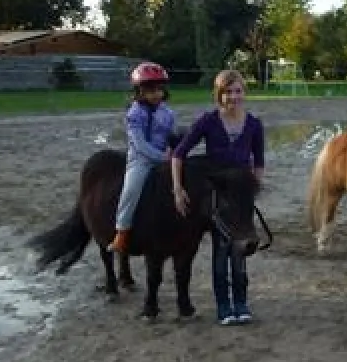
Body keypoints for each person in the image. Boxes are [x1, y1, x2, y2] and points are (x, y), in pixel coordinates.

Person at [172, 70, 265, 326]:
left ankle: (241, 303)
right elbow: (179, 154)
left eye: (238, 91)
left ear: (244, 93)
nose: (233, 97)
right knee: (222, 251)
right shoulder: (208, 121)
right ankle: (224, 306)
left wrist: (253, 188)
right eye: (228, 92)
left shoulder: (254, 125)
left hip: (241, 197)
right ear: (219, 94)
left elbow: (259, 162)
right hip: (219, 197)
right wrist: (178, 189)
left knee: (241, 251)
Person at [108, 62, 176, 257]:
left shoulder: (168, 112)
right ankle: (122, 231)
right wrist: (162, 157)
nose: (156, 94)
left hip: (165, 156)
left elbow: (170, 135)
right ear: (139, 91)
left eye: (159, 89)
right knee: (131, 190)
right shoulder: (135, 114)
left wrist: (174, 149)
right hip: (141, 159)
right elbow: (140, 144)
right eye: (150, 90)